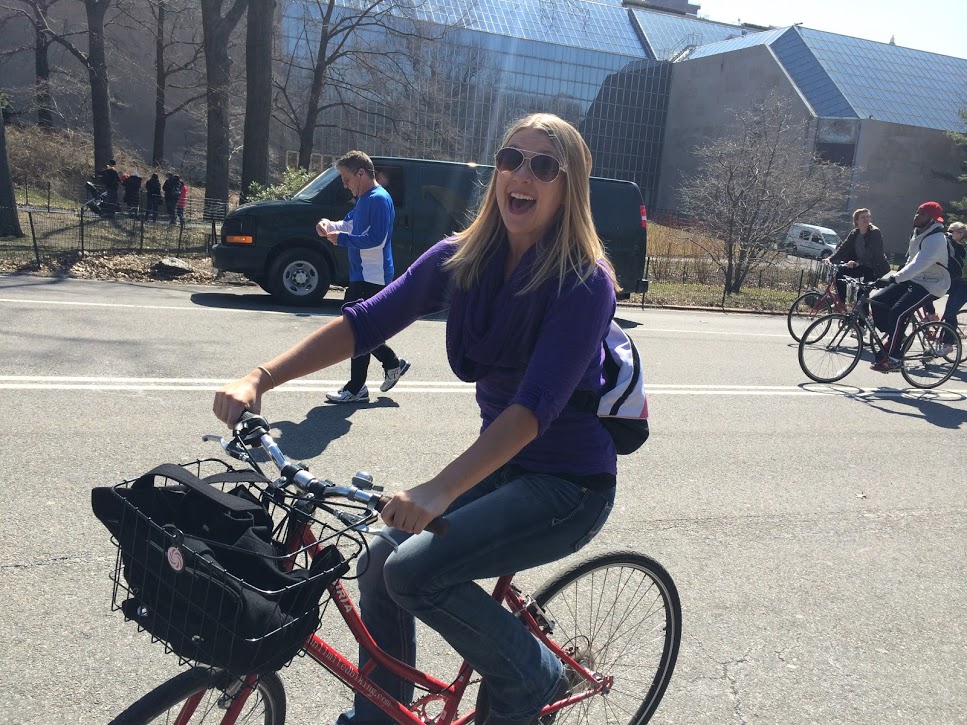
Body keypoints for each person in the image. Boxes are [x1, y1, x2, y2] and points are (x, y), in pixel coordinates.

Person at [213, 113, 618, 725]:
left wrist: (439, 489)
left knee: (413, 572)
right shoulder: (463, 257)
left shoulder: (583, 282)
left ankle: (536, 673)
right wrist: (261, 376)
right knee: (379, 558)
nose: (522, 173)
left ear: (569, 187)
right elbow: (366, 322)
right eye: (512, 157)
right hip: (502, 466)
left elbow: (534, 410)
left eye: (544, 165)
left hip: (566, 485)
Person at [315, 150, 410, 403]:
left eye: (346, 179)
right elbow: (349, 224)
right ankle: (387, 366)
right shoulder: (365, 198)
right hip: (363, 275)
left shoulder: (378, 199)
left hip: (373, 276)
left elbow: (376, 239)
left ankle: (359, 386)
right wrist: (327, 224)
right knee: (359, 330)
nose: (345, 185)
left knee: (355, 329)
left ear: (360, 173)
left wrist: (342, 239)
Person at [869, 201, 950, 372]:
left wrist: (895, 278)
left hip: (932, 285)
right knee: (877, 300)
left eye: (922, 214)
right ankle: (896, 337)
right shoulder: (917, 233)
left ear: (932, 219)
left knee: (898, 312)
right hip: (914, 279)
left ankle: (894, 359)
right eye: (917, 212)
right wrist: (889, 278)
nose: (917, 216)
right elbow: (909, 261)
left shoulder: (936, 239)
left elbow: (918, 264)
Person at [826, 208, 890, 308]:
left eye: (868, 216)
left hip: (874, 268)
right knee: (839, 271)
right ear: (856, 221)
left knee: (862, 293)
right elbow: (844, 248)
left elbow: (871, 252)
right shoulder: (854, 233)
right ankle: (841, 302)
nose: (866, 219)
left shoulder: (875, 233)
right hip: (861, 266)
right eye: (863, 217)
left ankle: (862, 322)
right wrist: (829, 259)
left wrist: (857, 262)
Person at [938, 221, 967, 356]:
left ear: (961, 234)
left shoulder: (963, 249)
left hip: (963, 284)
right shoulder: (947, 244)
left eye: (952, 231)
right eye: (948, 230)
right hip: (951, 281)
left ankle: (948, 344)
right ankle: (930, 317)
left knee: (950, 311)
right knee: (923, 294)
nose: (948, 233)